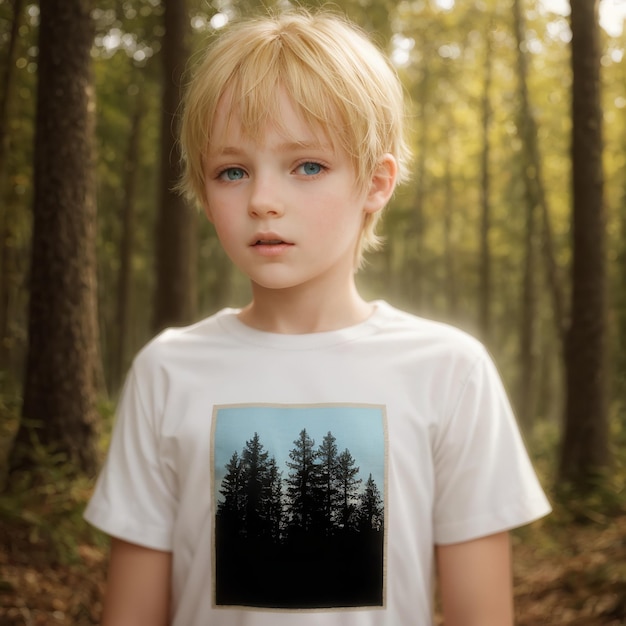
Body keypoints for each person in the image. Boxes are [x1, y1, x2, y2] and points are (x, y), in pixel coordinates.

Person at [85, 9, 551, 626]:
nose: (262, 201)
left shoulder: (449, 370)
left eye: (308, 166)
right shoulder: (167, 371)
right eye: (233, 171)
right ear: (203, 187)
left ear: (376, 183)